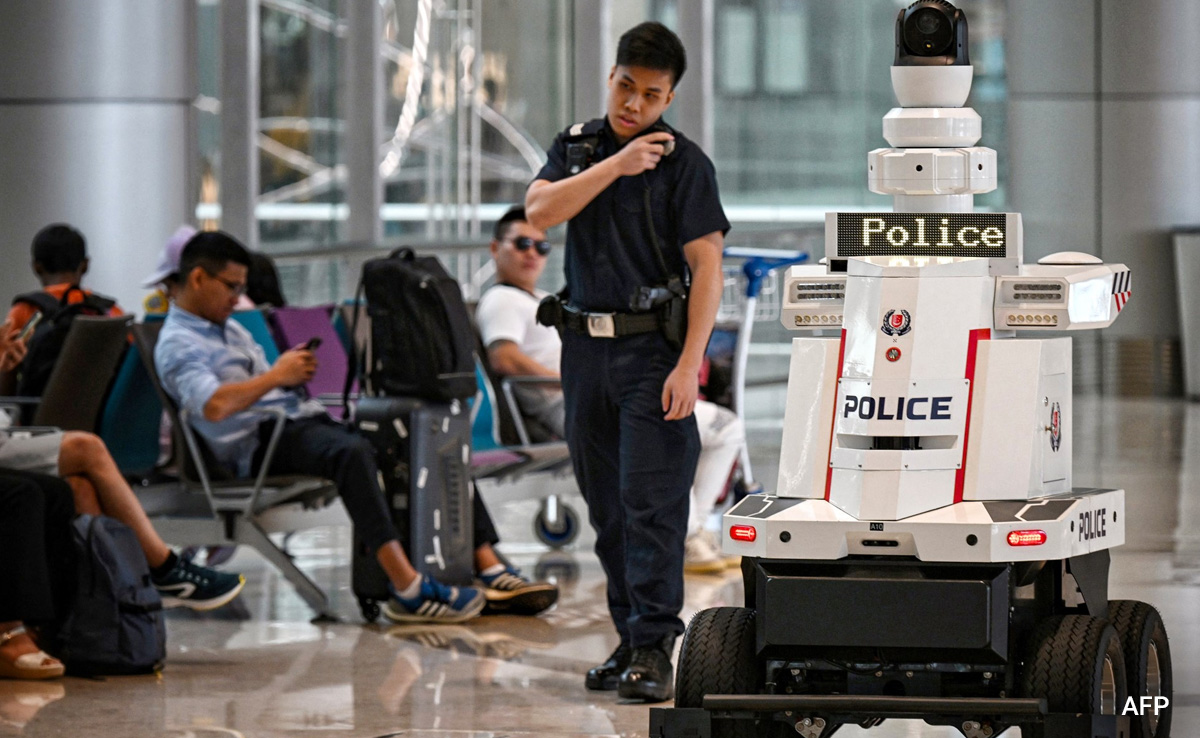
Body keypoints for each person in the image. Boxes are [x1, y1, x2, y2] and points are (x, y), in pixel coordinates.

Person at [155, 231, 556, 622]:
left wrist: (290, 376)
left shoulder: (231, 330)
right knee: (352, 454)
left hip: (293, 424)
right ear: (197, 277)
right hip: (257, 445)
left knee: (420, 439)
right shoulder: (179, 343)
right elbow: (213, 405)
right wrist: (277, 377)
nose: (236, 296)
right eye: (230, 286)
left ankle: (486, 563)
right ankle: (408, 586)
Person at [524, 22, 730, 702]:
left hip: (652, 354)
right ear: (610, 77)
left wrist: (689, 364)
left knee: (652, 506)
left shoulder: (686, 166)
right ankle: (628, 635)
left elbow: (708, 270)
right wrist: (615, 164)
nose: (633, 104)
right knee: (607, 508)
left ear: (669, 97)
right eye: (625, 86)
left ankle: (653, 646)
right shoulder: (579, 147)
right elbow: (539, 211)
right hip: (584, 352)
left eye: (650, 94)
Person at [476, 206, 744, 574]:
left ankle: (689, 532)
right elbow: (505, 358)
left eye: (541, 247)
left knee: (710, 431)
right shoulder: (502, 300)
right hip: (571, 402)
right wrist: (576, 378)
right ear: (495, 248)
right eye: (522, 243)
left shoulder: (538, 298)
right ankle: (686, 536)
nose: (532, 254)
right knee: (722, 428)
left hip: (594, 394)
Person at [0, 318, 245, 611]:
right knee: (87, 448)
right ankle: (164, 568)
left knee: (82, 487)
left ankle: (105, 609)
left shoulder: (233, 331)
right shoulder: (179, 336)